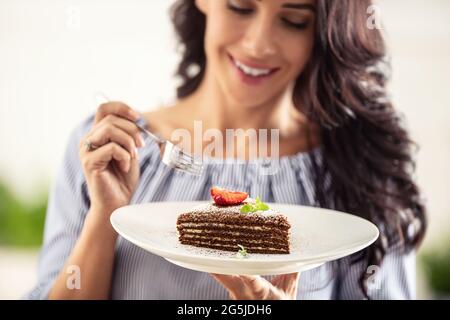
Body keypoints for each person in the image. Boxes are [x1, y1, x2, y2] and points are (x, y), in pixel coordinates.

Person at [27, 0, 426, 300]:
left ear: (322, 30)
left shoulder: (358, 168)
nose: (258, 44)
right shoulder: (109, 150)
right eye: (240, 6)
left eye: (293, 20)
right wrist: (105, 215)